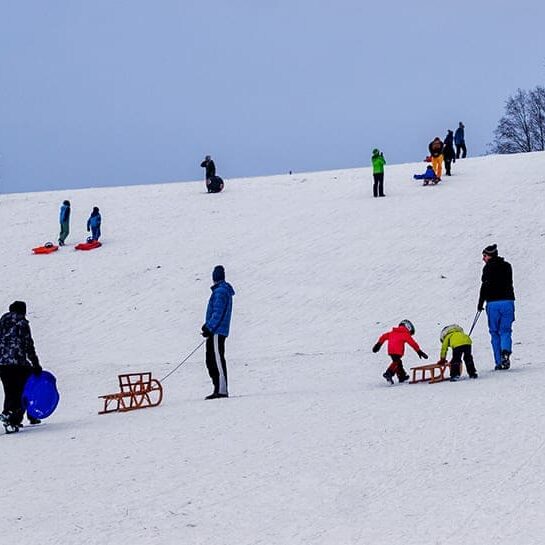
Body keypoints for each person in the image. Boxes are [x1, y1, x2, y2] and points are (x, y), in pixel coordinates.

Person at [0, 301, 42, 433]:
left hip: (2, 364)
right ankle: (13, 417)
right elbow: (28, 344)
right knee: (23, 390)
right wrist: (36, 364)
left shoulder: (2, 323)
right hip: (18, 363)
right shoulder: (22, 323)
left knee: (9, 391)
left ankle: (10, 416)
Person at [478, 244, 515, 370]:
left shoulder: (487, 268)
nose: (483, 258)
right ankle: (505, 352)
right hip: (508, 302)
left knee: (494, 332)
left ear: (490, 256)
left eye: (485, 256)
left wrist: (480, 303)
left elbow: (485, 286)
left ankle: (499, 361)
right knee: (505, 330)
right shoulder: (507, 266)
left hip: (493, 303)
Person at [201, 265, 235, 399]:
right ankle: (217, 387)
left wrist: (209, 327)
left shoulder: (220, 292)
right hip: (216, 330)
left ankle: (221, 390)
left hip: (217, 331)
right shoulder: (220, 291)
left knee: (216, 359)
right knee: (210, 359)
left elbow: (218, 313)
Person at [372, 320, 428, 384]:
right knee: (396, 362)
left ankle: (402, 376)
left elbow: (383, 337)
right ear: (408, 327)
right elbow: (413, 343)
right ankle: (389, 372)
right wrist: (419, 351)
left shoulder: (392, 333)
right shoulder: (405, 334)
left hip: (390, 350)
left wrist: (378, 345)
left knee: (398, 363)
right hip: (397, 351)